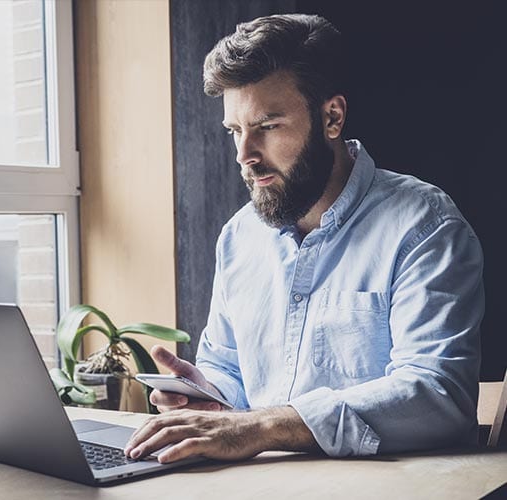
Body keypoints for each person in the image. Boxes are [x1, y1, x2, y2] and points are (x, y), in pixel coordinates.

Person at [124, 13, 484, 463]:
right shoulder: (240, 236)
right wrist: (210, 399)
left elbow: (437, 394)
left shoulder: (424, 226)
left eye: (267, 127)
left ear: (331, 116)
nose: (244, 156)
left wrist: (262, 426)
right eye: (235, 131)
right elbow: (230, 371)